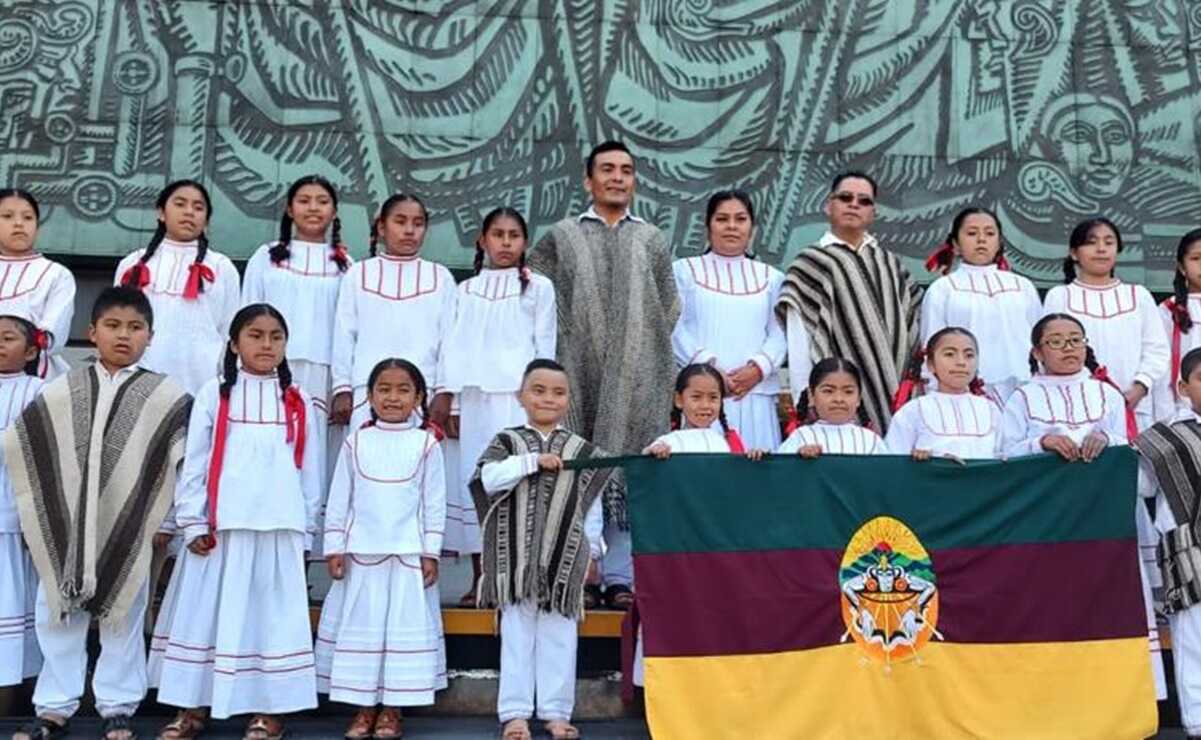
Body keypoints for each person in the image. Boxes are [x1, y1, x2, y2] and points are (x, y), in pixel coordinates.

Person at [5, 287, 191, 740]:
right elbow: (28, 447)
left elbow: (180, 463)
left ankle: (117, 706)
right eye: (113, 325)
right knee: (58, 614)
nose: (123, 335)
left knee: (123, 613)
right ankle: (53, 707)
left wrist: (167, 521)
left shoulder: (165, 396)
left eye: (135, 327)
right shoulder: (62, 390)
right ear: (92, 333)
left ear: (150, 336)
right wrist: (39, 519)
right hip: (67, 527)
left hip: (131, 527)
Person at [149, 304, 323, 740]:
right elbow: (195, 462)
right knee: (204, 617)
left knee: (271, 621)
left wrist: (305, 531)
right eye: (255, 335)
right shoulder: (214, 393)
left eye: (276, 337)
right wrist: (193, 522)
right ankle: (191, 707)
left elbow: (310, 470)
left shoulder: (298, 399)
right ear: (233, 343)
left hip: (278, 529)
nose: (266, 344)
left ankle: (269, 710)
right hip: (220, 528)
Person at [527, 141, 677, 609]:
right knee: (577, 468)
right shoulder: (563, 235)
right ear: (588, 180)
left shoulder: (651, 238)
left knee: (630, 472)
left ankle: (620, 577)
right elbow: (537, 292)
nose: (617, 178)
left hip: (639, 379)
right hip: (575, 374)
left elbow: (668, 305)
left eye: (626, 171)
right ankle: (581, 572)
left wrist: (637, 350)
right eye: (607, 169)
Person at [1001, 313, 1166, 700]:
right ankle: (1054, 695)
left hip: (1106, 524)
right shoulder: (1023, 397)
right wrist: (1040, 443)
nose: (1068, 348)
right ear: (1037, 351)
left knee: (1113, 602)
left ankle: (1122, 697)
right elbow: (1003, 456)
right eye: (1056, 342)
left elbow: (1130, 450)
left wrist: (1106, 439)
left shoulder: (1106, 394)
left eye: (1075, 340)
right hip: (1049, 526)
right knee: (1054, 604)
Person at [469, 359, 622, 740]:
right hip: (516, 560)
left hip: (564, 560)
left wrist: (592, 552)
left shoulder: (580, 449)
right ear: (521, 396)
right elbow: (488, 478)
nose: (548, 399)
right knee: (517, 636)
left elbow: (590, 505)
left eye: (558, 392)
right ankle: (515, 715)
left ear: (568, 400)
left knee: (561, 637)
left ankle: (556, 712)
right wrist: (531, 462)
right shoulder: (507, 442)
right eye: (538, 390)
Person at [316, 359, 447, 740]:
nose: (393, 397)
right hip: (362, 557)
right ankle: (363, 709)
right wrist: (334, 547)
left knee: (399, 634)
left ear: (419, 398)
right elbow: (340, 498)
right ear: (370, 397)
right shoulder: (356, 441)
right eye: (384, 389)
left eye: (403, 390)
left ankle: (392, 710)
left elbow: (434, 504)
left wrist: (430, 553)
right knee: (364, 632)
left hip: (407, 556)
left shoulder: (426, 444)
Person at [437, 207, 555, 606]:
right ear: (482, 240)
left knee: (521, 481)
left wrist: (541, 402)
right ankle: (482, 578)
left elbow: (545, 346)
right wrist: (453, 404)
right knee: (478, 483)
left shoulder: (538, 287)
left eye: (514, 235)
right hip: (475, 401)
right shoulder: (465, 290)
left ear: (525, 242)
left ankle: (520, 578)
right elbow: (453, 348)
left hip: (520, 402)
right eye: (498, 234)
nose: (505, 243)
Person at [777, 171, 922, 432]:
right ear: (828, 206)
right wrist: (805, 399)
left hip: (897, 394)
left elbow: (912, 330)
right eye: (845, 197)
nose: (854, 205)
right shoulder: (811, 263)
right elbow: (800, 339)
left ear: (873, 212)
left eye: (864, 201)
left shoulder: (891, 264)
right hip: (834, 402)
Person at [242, 175, 352, 493]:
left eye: (322, 201)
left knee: (316, 450)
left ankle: (311, 521)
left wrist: (342, 384)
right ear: (290, 209)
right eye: (304, 201)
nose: (313, 208)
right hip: (270, 365)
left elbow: (348, 328)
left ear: (334, 211)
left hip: (324, 371)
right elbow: (247, 312)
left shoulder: (346, 265)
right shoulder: (266, 257)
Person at [671, 190, 790, 450]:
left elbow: (781, 332)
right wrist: (710, 370)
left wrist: (758, 369)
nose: (732, 226)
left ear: (752, 228)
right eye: (722, 219)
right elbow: (673, 329)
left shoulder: (773, 278)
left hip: (756, 395)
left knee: (759, 466)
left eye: (740, 219)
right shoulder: (683, 271)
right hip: (701, 397)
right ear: (708, 226)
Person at [331, 193, 456, 430]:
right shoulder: (358, 273)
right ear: (381, 227)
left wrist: (445, 391)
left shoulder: (441, 277)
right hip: (366, 391)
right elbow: (344, 334)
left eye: (418, 224)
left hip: (422, 391)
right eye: (400, 222)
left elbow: (450, 339)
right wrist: (342, 388)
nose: (409, 230)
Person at [115, 179, 241, 395]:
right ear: (161, 213)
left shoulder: (222, 267)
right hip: (140, 374)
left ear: (206, 221)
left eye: (198, 207)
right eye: (180, 204)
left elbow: (229, 331)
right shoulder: (133, 263)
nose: (189, 212)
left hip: (202, 380)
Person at [1042, 217, 1168, 431]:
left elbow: (1157, 350)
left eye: (1109, 242)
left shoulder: (1138, 295)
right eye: (1091, 242)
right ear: (1074, 253)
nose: (1101, 249)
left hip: (1135, 405)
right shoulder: (1060, 296)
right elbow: (1050, 350)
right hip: (1077, 408)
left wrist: (1140, 386)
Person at [1134, 346, 1201, 739]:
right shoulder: (1164, 440)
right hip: (1188, 552)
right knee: (1193, 642)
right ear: (1182, 387)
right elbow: (1140, 486)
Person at [919, 207, 1041, 402]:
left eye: (990, 233)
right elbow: (931, 345)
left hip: (1024, 386)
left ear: (999, 242)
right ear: (955, 244)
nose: (981, 239)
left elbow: (1040, 337)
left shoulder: (1022, 286)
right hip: (966, 389)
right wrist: (936, 393)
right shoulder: (943, 289)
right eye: (972, 233)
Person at [0, 316, 43, 714]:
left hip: (14, 519)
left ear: (30, 351)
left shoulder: (39, 391)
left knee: (13, 614)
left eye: (7, 338)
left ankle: (14, 709)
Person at [885, 327, 1001, 460]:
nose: (961, 362)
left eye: (969, 355)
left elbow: (1005, 456)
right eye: (949, 354)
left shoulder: (990, 410)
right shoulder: (914, 411)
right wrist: (916, 460)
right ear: (931, 364)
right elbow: (893, 460)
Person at [0, 190, 75, 379]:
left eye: (28, 217)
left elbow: (52, 335)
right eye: (7, 216)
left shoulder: (57, 274)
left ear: (37, 226)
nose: (19, 223)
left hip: (34, 375)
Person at [777, 358, 887, 456]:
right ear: (811, 396)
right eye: (828, 391)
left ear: (858, 398)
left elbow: (887, 471)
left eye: (848, 392)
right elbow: (780, 469)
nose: (838, 399)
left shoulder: (871, 441)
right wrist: (799, 460)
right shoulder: (801, 437)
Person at [646, 364, 758, 458]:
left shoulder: (728, 442)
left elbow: (741, 473)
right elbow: (648, 459)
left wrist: (755, 458)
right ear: (679, 400)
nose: (705, 405)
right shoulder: (669, 442)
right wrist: (656, 452)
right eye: (696, 397)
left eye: (713, 397)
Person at [1153, 229, 1201, 422]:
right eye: (1196, 258)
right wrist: (1168, 417)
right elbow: (1161, 369)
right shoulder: (1169, 311)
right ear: (1182, 267)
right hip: (1182, 416)